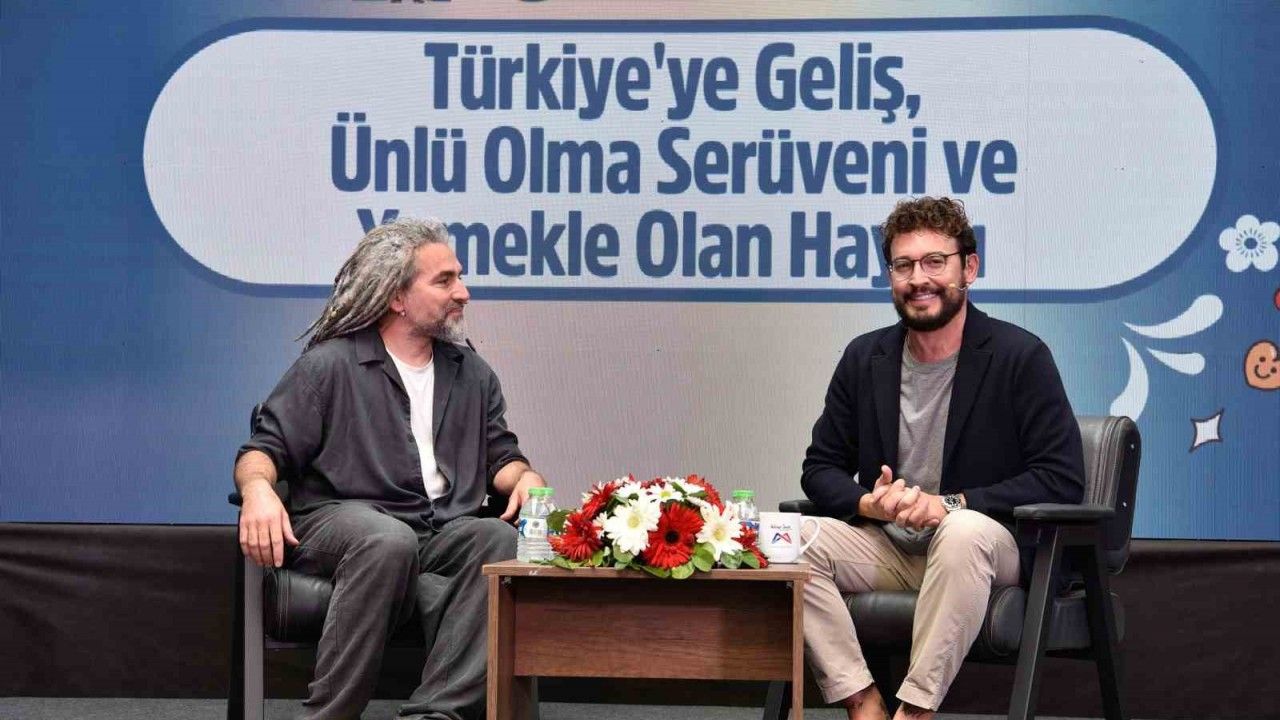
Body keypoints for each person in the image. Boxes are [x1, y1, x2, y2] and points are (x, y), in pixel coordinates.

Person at [234, 217, 546, 720]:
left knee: (496, 539)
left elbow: (500, 457)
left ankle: (435, 714)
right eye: (444, 280)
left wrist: (525, 478)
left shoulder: (472, 374)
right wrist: (257, 491)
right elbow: (263, 450)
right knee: (387, 538)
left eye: (459, 277)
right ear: (397, 297)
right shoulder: (330, 366)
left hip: (438, 529)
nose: (463, 292)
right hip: (343, 521)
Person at [799, 197, 1085, 720]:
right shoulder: (865, 357)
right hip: (890, 546)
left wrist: (949, 504)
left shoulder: (1020, 356)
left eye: (935, 262)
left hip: (988, 548)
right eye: (903, 265)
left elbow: (1061, 479)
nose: (918, 279)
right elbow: (819, 469)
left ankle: (914, 712)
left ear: (968, 268)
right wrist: (869, 504)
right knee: (782, 538)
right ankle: (863, 703)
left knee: (962, 531)